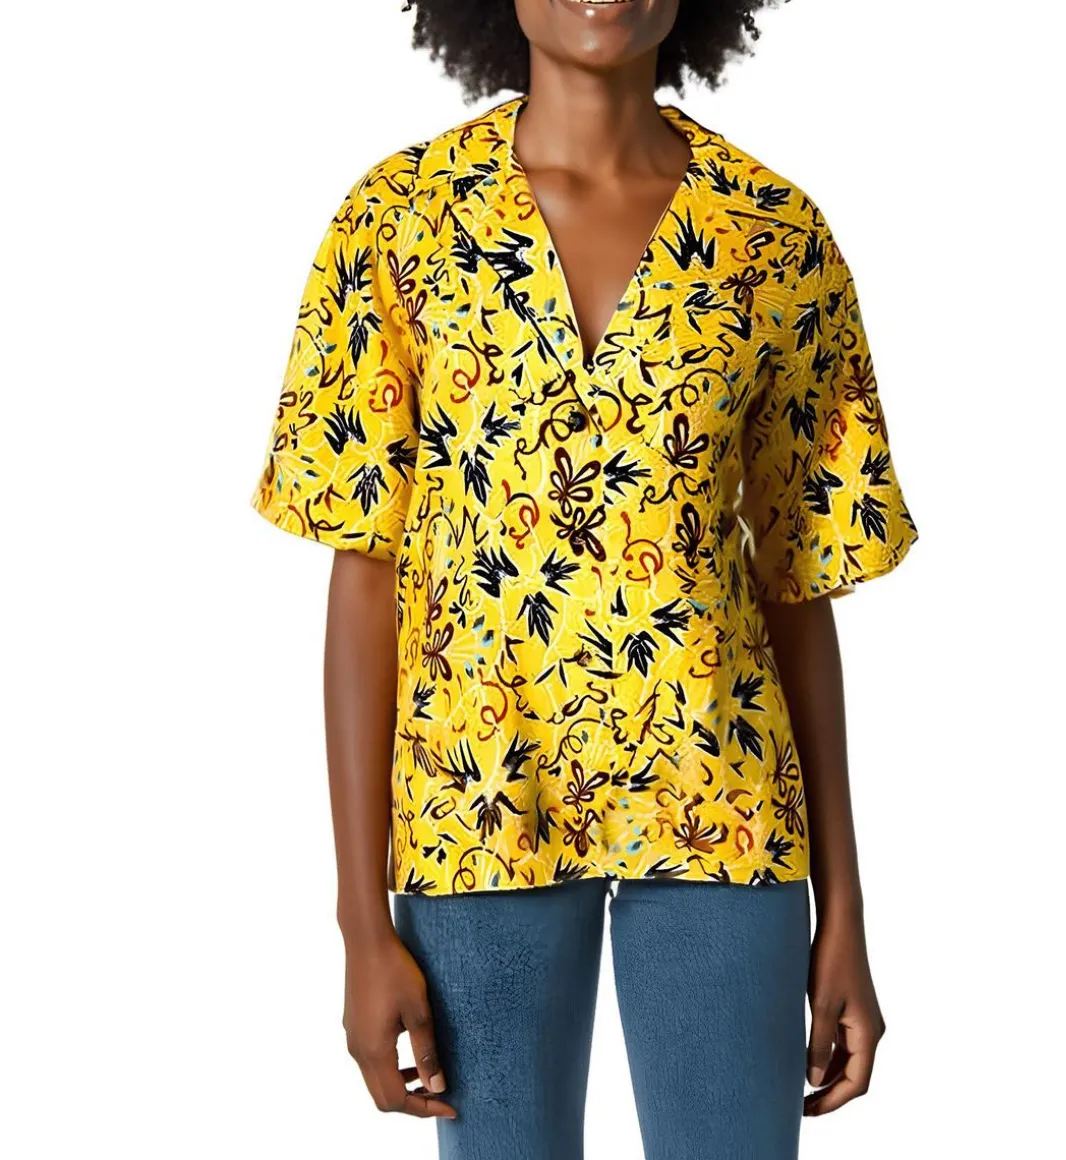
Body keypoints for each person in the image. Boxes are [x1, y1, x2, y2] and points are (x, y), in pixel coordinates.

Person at [250, 2, 918, 1157]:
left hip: (720, 805)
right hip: (475, 804)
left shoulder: (771, 236)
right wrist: (360, 919)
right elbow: (365, 573)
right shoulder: (400, 220)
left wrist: (843, 912)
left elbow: (798, 585)